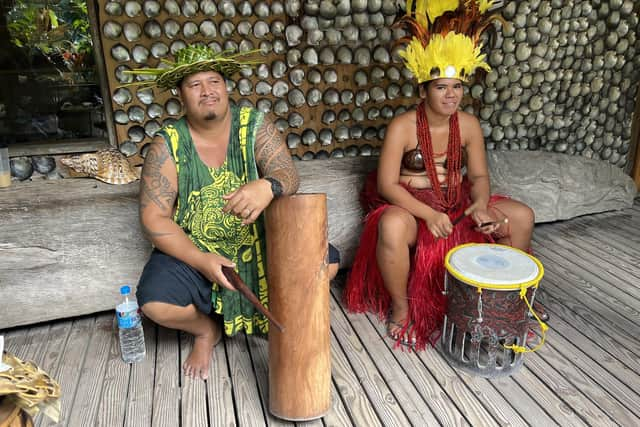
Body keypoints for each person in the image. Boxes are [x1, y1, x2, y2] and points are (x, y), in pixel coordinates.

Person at [129, 46, 340, 379]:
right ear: (180, 94)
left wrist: (267, 186)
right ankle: (204, 331)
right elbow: (153, 218)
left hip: (260, 243)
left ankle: (280, 315)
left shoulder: (254, 125)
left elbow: (288, 173)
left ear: (226, 86)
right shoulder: (167, 144)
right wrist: (201, 260)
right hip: (198, 249)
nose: (207, 91)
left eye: (213, 81)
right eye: (194, 84)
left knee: (326, 263)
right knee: (155, 304)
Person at [344, 1, 540, 351]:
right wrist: (429, 214)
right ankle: (402, 308)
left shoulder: (468, 125)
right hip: (412, 207)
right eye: (441, 87)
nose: (452, 95)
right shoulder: (403, 127)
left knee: (521, 216)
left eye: (457, 87)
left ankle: (508, 301)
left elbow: (478, 175)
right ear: (423, 90)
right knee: (390, 226)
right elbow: (388, 184)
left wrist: (480, 205)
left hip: (457, 201)